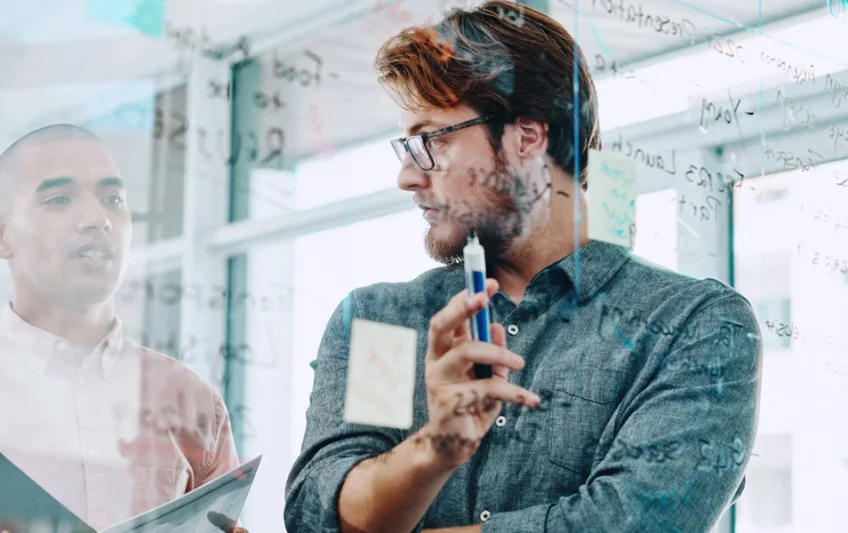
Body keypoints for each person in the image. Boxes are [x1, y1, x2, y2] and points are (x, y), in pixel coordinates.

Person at [283, 3, 760, 532]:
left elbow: (630, 523)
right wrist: (434, 448)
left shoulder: (689, 325)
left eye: (431, 139)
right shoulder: (385, 322)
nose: (406, 177)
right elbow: (320, 514)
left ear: (528, 138)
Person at [0, 124, 240, 532]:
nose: (98, 218)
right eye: (59, 200)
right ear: (0, 237)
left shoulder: (192, 403)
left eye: (114, 199)